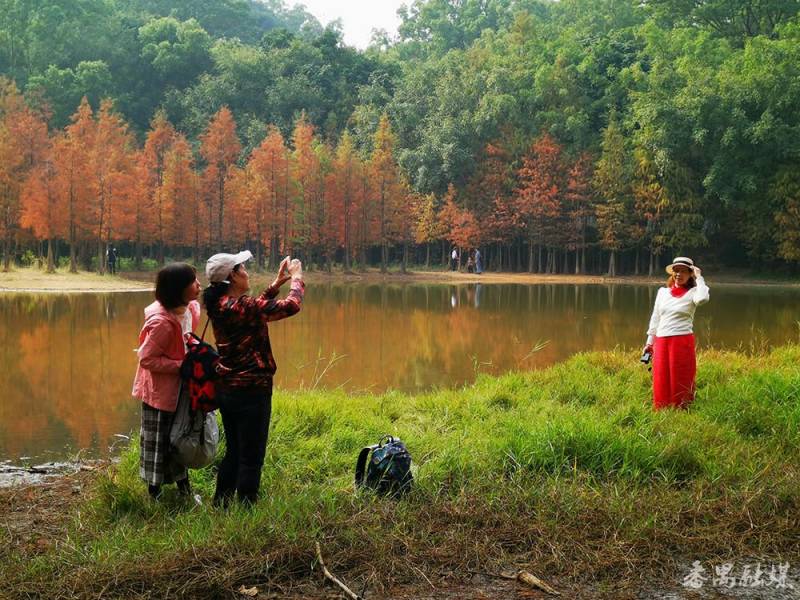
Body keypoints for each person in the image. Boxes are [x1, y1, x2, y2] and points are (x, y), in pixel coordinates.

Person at [203, 250, 304, 506]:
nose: (247, 272)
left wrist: (276, 284)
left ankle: (221, 505)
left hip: (227, 389)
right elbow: (291, 306)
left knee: (235, 452)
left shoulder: (221, 304)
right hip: (252, 390)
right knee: (252, 456)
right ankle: (247, 511)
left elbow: (253, 310)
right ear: (233, 277)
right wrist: (297, 278)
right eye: (243, 269)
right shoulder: (242, 306)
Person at [132, 263, 201, 500]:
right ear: (177, 289)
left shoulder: (191, 308)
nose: (199, 284)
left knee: (179, 439)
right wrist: (181, 366)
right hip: (160, 394)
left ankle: (184, 490)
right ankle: (154, 494)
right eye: (193, 281)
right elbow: (146, 359)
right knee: (158, 443)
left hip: (181, 389)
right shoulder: (161, 322)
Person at [642, 257, 709, 410]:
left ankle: (683, 407)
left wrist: (699, 277)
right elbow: (655, 318)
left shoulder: (694, 292)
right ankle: (662, 407)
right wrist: (649, 343)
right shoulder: (662, 292)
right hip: (662, 340)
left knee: (682, 375)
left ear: (690, 273)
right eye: (676, 270)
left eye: (684, 271)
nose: (679, 274)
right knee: (661, 375)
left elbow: (703, 298)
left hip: (682, 339)